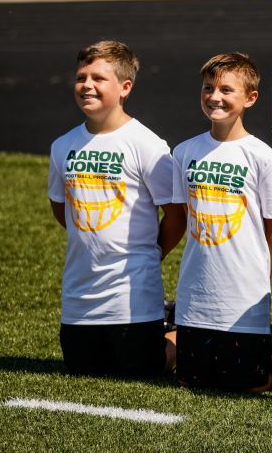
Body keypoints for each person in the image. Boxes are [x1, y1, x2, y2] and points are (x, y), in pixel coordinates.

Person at [46, 40, 186, 378]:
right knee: (83, 371)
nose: (87, 86)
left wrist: (149, 254)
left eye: (98, 78)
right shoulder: (62, 146)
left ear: (125, 87)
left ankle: (186, 332)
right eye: (81, 78)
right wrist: (93, 239)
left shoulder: (147, 145)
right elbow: (60, 207)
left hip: (132, 294)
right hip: (80, 296)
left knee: (143, 369)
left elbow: (177, 215)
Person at [169, 53, 272, 392]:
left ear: (250, 98)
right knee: (190, 380)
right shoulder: (184, 152)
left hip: (244, 292)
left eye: (227, 90)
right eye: (208, 88)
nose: (215, 96)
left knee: (249, 385)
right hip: (195, 292)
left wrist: (262, 277)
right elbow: (184, 215)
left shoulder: (264, 158)